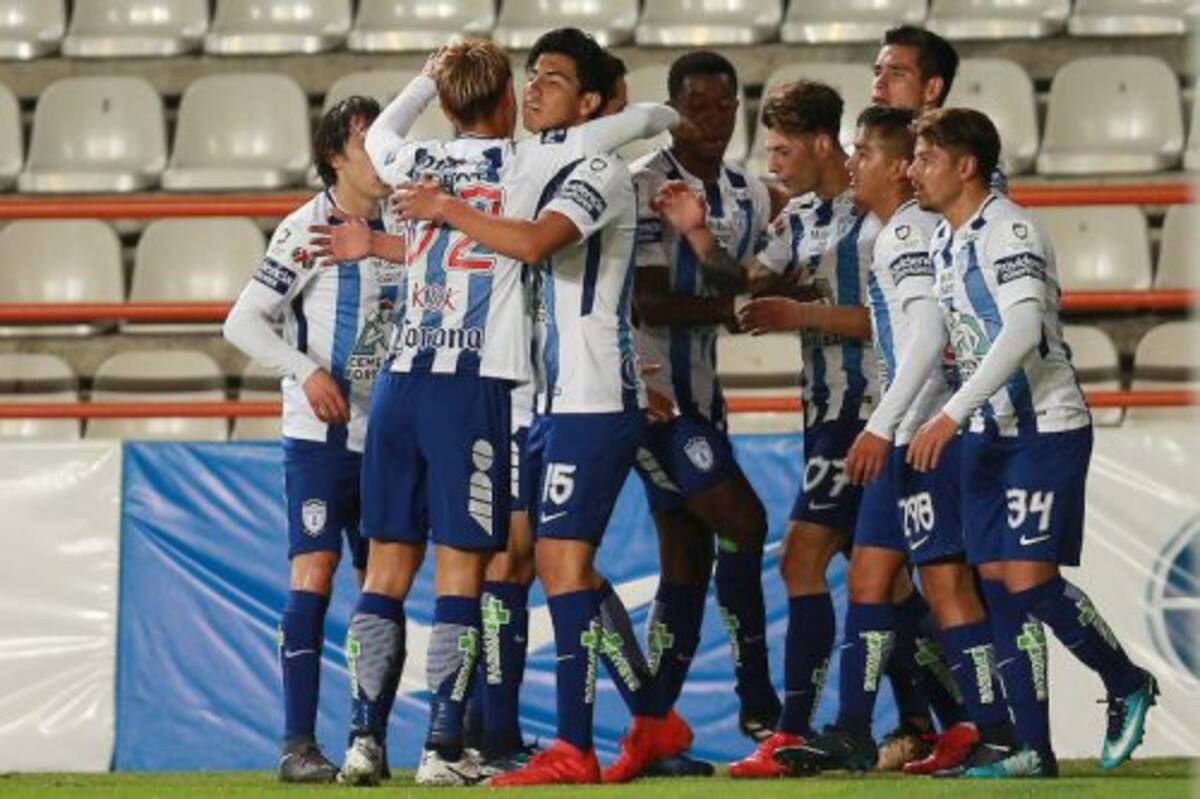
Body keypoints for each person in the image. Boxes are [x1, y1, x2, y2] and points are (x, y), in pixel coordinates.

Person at [340, 34, 677, 787]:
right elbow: (636, 125)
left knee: (385, 571)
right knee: (467, 572)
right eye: (526, 81)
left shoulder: (415, 162)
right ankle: (441, 747)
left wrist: (425, 79)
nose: (532, 92)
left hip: (400, 379)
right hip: (476, 386)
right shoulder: (529, 162)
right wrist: (652, 115)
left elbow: (380, 135)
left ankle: (364, 739)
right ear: (504, 99)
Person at [905, 107, 1157, 777]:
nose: (913, 170)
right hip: (989, 432)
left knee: (1028, 580)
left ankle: (1127, 680)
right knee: (998, 584)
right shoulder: (945, 239)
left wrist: (949, 415)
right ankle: (1032, 749)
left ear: (966, 165)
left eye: (926, 158)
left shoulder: (1009, 229)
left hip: (1044, 427)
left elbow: (1020, 331)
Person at [771, 105, 1014, 777]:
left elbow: (929, 339)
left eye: (866, 153)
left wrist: (882, 427)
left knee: (945, 584)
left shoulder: (905, 233)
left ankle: (994, 728)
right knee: (873, 578)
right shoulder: (894, 230)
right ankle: (855, 729)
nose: (853, 164)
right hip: (906, 427)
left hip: (920, 436)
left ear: (901, 168)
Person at [654, 80, 880, 778]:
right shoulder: (800, 218)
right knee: (884, 577)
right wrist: (696, 230)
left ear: (822, 143)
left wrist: (801, 315)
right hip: (823, 414)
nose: (772, 165)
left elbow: (901, 322)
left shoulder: (882, 217)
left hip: (871, 412)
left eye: (782, 150)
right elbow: (746, 281)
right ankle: (948, 722)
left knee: (803, 559)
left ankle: (790, 729)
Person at [221, 96, 399, 784]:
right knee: (315, 571)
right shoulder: (306, 229)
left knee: (383, 581)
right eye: (367, 144)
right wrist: (306, 370)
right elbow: (243, 321)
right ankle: (297, 743)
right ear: (334, 157)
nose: (382, 156)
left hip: (389, 434)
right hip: (319, 434)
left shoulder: (406, 220)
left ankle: (368, 740)